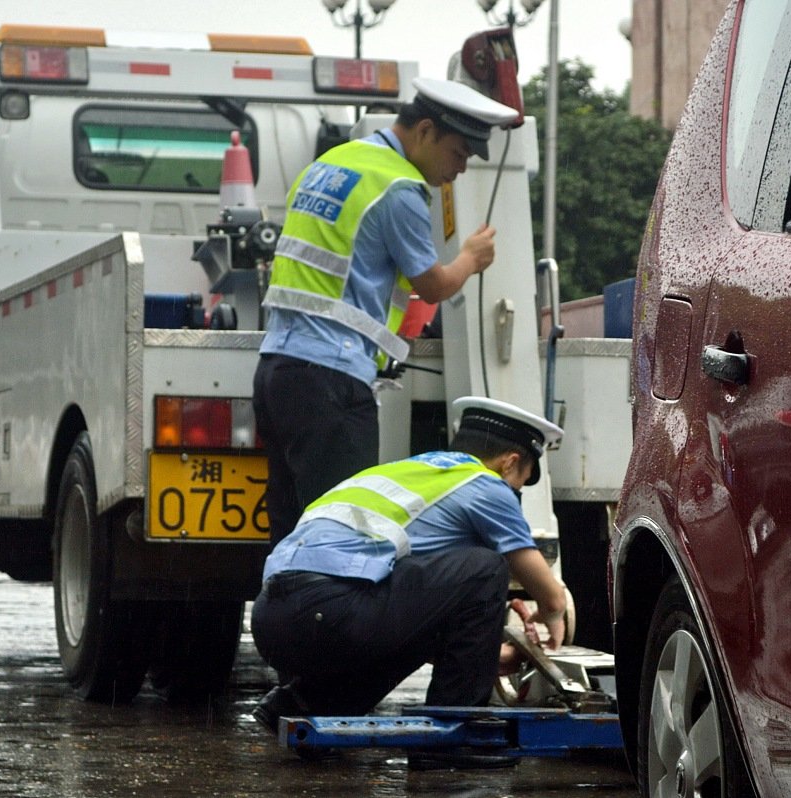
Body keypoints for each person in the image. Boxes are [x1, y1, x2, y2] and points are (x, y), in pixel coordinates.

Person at [253, 78, 520, 546]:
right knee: (342, 532)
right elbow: (432, 285)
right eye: (458, 153)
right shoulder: (398, 188)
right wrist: (471, 258)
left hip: (277, 370)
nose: (458, 170)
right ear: (424, 132)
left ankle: (285, 616)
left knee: (290, 529)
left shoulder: (331, 163)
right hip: (331, 380)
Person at [250, 397, 566, 769]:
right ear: (510, 461)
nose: (515, 494)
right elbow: (547, 592)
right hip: (330, 608)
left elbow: (417, 617)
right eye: (521, 483)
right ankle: (454, 735)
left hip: (275, 619)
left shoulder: (406, 474)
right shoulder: (484, 483)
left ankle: (306, 703)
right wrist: (553, 615)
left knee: (448, 592)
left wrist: (486, 658)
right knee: (486, 568)